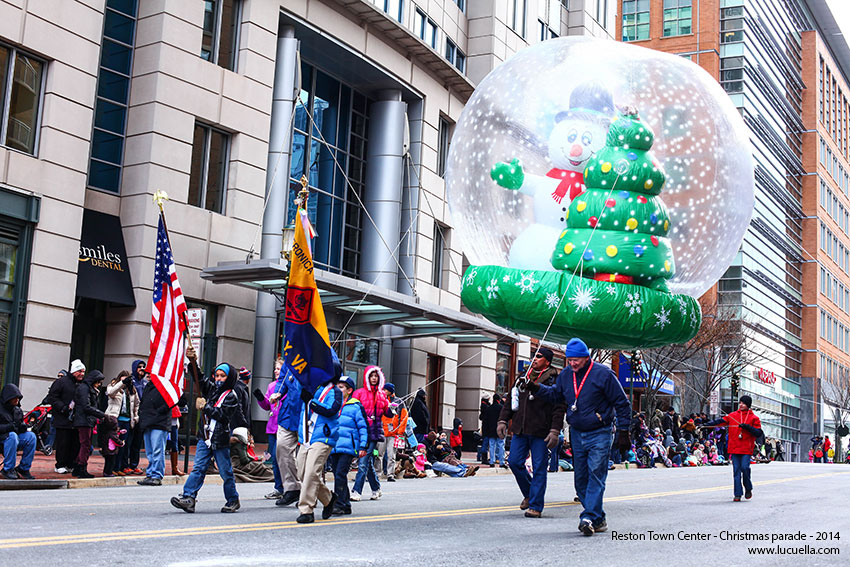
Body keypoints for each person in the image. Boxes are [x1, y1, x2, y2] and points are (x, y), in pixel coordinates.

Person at [520, 338, 631, 536]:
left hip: (600, 432)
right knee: (580, 479)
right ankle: (598, 518)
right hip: (577, 432)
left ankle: (587, 516)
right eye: (570, 360)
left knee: (596, 473)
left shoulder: (603, 374)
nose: (572, 363)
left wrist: (624, 431)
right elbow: (556, 396)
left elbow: (622, 403)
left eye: (576, 360)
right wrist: (535, 388)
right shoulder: (565, 375)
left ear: (586, 357)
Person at [497, 346, 565, 518]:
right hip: (520, 428)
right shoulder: (522, 376)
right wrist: (503, 420)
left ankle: (535, 505)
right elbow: (510, 400)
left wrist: (555, 430)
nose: (534, 359)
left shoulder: (554, 380)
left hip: (541, 431)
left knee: (540, 468)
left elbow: (559, 407)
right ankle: (529, 493)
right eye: (534, 356)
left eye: (539, 357)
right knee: (513, 462)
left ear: (547, 361)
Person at [171, 357, 241, 513]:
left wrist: (206, 407)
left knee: (225, 472)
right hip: (205, 437)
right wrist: (193, 361)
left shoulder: (231, 396)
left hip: (219, 439)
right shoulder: (212, 389)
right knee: (198, 468)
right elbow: (200, 379)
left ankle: (232, 499)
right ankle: (189, 497)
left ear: (229, 378)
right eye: (217, 375)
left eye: (222, 376)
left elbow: (223, 416)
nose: (219, 379)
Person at [295, 375, 343, 524]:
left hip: (323, 436)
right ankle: (328, 498)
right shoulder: (312, 387)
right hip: (307, 436)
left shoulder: (335, 391)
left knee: (311, 473)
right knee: (302, 472)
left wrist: (311, 401)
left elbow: (331, 410)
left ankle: (306, 510)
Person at [702, 395, 762, 502]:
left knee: (745, 468)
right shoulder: (732, 416)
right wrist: (706, 424)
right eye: (740, 403)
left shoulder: (754, 418)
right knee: (736, 471)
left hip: (746, 449)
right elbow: (719, 422)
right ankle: (737, 494)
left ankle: (748, 487)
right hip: (734, 448)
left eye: (743, 403)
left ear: (748, 405)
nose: (741, 405)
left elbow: (758, 433)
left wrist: (748, 427)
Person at [351, 365, 390, 501]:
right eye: (372, 376)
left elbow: (387, 412)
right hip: (360, 432)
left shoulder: (382, 394)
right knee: (366, 463)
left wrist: (392, 409)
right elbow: (353, 411)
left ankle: (357, 491)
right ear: (367, 377)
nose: (374, 378)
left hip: (373, 433)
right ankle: (376, 488)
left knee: (363, 462)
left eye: (376, 376)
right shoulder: (359, 393)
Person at [330, 376, 368, 515]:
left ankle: (339, 504)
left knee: (340, 473)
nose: (338, 389)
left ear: (349, 390)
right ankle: (346, 504)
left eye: (341, 387)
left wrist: (363, 446)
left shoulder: (356, 406)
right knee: (337, 474)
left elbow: (363, 428)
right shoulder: (333, 404)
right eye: (337, 386)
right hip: (334, 445)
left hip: (348, 447)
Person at [268, 367, 302, 507]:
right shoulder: (291, 355)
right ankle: (292, 489)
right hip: (288, 413)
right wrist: (278, 392)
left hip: (308, 411)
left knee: (306, 457)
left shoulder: (319, 351)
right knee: (281, 448)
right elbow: (282, 380)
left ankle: (309, 491)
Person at [45, 359, 86, 474]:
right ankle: (60, 464)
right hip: (62, 418)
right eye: (79, 371)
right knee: (63, 443)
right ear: (73, 371)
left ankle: (71, 463)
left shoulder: (82, 384)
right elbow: (52, 397)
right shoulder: (61, 382)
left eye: (83, 371)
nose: (82, 374)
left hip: (76, 419)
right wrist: (63, 408)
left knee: (75, 443)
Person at [137, 366, 173, 486]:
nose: (148, 375)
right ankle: (151, 473)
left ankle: (157, 475)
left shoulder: (164, 386)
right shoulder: (149, 386)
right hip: (148, 421)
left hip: (159, 422)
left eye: (150, 373)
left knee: (157, 450)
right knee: (150, 451)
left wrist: (159, 411)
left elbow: (173, 401)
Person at [256, 358, 285, 499]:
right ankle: (279, 488)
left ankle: (290, 487)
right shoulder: (271, 385)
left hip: (285, 427)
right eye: (275, 368)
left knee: (284, 459)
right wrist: (261, 399)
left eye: (279, 369)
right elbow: (267, 405)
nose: (275, 371)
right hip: (272, 427)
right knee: (274, 458)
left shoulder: (289, 386)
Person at [72, 370, 106, 478]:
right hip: (84, 420)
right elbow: (86, 406)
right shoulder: (84, 388)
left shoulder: (88, 389)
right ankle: (81, 467)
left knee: (85, 445)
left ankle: (78, 467)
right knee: (85, 445)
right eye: (98, 382)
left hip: (86, 420)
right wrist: (101, 414)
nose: (99, 384)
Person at [104, 371, 139, 477]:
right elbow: (110, 393)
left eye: (126, 379)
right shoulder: (114, 385)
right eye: (123, 379)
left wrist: (136, 416)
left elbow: (137, 403)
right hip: (115, 419)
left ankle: (120, 467)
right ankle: (112, 468)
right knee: (113, 445)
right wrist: (121, 383)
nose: (125, 382)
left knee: (124, 444)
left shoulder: (132, 390)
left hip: (127, 420)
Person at [0, 383, 37, 479]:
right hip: (3, 438)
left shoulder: (17, 410)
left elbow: (20, 424)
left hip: (13, 438)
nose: (17, 400)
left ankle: (23, 468)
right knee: (12, 436)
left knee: (31, 436)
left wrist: (23, 427)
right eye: (14, 398)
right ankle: (8, 469)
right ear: (8, 399)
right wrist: (10, 427)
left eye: (18, 398)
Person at [379, 382, 408, 482]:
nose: (384, 391)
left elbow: (404, 417)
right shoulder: (381, 401)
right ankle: (377, 472)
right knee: (378, 454)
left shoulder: (399, 402)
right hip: (381, 432)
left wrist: (400, 432)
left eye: (385, 390)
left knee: (391, 455)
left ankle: (390, 474)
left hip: (393, 433)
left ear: (390, 391)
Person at [124, 359, 148, 475]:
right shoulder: (131, 381)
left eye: (143, 366)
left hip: (142, 417)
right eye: (139, 367)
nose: (142, 369)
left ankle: (134, 464)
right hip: (131, 416)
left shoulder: (145, 383)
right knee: (127, 441)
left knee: (137, 443)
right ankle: (125, 465)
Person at [483, 394, 506, 467]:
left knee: (492, 446)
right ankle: (501, 461)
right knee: (501, 445)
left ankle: (492, 461)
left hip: (491, 430)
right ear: (498, 400)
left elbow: (485, 421)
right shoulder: (501, 408)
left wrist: (485, 431)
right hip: (500, 429)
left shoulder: (489, 408)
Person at [478, 394, 491, 463]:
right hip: (487, 428)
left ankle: (483, 457)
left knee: (485, 443)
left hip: (485, 427)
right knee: (485, 443)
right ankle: (484, 458)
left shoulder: (483, 406)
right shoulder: (486, 407)